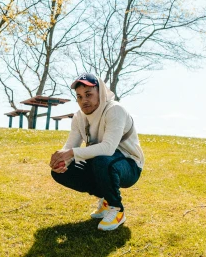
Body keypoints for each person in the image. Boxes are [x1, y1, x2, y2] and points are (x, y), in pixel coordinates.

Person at [49, 73, 144, 232]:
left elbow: (108, 148)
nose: (83, 100)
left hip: (129, 165)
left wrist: (71, 153)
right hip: (103, 163)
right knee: (60, 171)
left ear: (100, 92)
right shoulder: (79, 117)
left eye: (88, 94)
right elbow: (71, 145)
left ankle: (117, 209)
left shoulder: (115, 110)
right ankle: (105, 199)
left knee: (101, 160)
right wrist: (61, 160)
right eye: (79, 96)